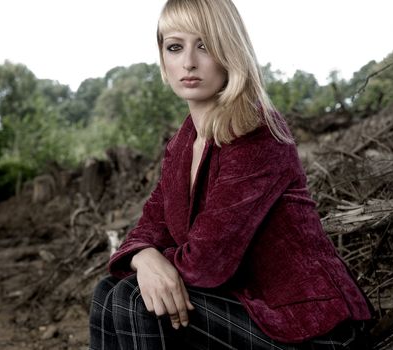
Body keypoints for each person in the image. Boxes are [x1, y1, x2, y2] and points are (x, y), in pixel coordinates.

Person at [89, 0, 374, 349]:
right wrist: (143, 256)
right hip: (245, 308)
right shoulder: (183, 143)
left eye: (205, 45)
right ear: (163, 58)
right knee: (107, 292)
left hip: (309, 327)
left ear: (230, 51)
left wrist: (150, 263)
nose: (189, 62)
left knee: (136, 299)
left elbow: (206, 264)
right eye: (175, 47)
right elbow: (149, 226)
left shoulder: (256, 131)